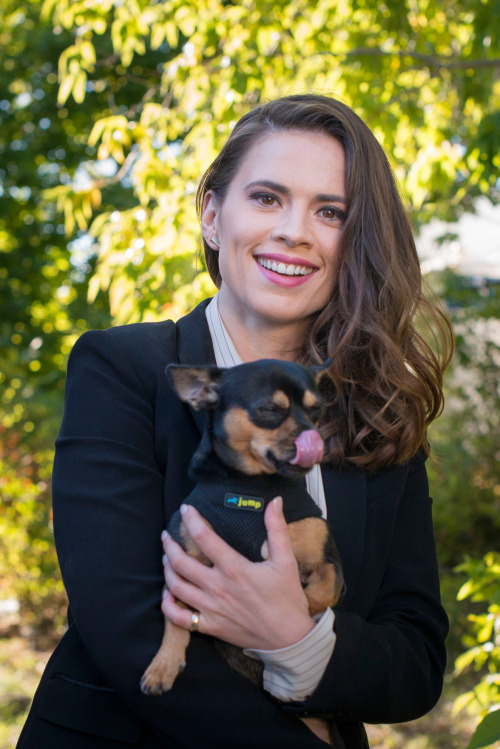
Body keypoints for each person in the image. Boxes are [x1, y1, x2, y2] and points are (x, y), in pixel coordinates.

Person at [17, 94, 453, 749]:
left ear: (354, 240)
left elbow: (415, 662)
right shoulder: (123, 367)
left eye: (329, 211)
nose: (295, 231)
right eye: (268, 198)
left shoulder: (376, 409)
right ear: (213, 215)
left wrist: (298, 640)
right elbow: (126, 625)